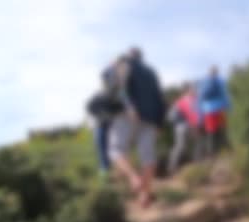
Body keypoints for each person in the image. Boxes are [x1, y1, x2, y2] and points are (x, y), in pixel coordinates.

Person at [108, 47, 166, 208]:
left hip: (129, 114)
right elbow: (160, 98)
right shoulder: (151, 72)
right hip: (152, 118)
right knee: (148, 156)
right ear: (142, 58)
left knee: (116, 150)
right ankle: (145, 195)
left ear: (129, 55)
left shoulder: (124, 63)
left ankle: (134, 178)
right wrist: (160, 122)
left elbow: (119, 86)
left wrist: (128, 106)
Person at [86, 56, 128, 179]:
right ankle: (105, 171)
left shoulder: (119, 94)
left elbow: (122, 107)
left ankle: (117, 171)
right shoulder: (101, 93)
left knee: (114, 147)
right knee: (101, 145)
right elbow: (90, 107)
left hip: (113, 122)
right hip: (102, 122)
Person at [166, 82, 201, 174]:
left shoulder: (180, 100)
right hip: (187, 126)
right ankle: (196, 165)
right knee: (196, 144)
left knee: (180, 146)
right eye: (193, 89)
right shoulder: (189, 100)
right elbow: (192, 114)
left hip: (179, 127)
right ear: (189, 90)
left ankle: (172, 167)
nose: (195, 91)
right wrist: (195, 127)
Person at [196, 65, 231, 157]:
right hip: (220, 108)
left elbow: (200, 99)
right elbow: (225, 95)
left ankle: (211, 154)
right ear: (217, 72)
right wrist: (229, 107)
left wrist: (200, 116)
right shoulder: (220, 81)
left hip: (207, 110)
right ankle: (227, 151)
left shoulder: (203, 82)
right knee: (222, 129)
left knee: (211, 132)